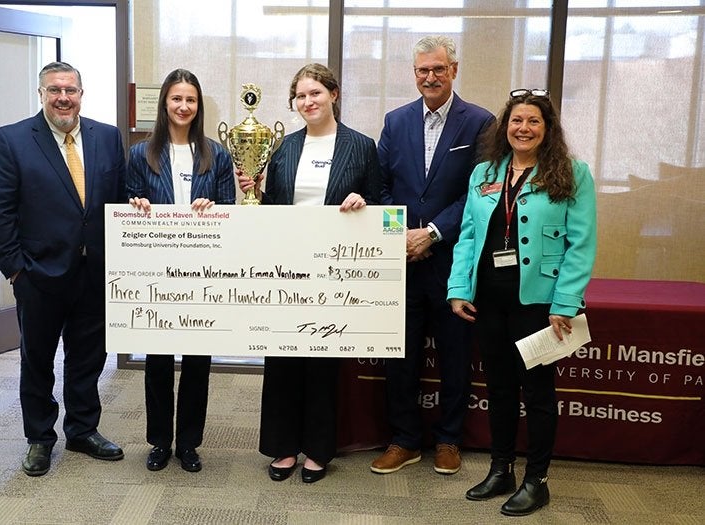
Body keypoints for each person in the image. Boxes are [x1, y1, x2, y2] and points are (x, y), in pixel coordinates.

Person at [448, 89, 597, 516]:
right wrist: (459, 287)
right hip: (490, 299)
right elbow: (469, 235)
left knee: (537, 392)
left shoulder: (572, 173)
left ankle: (537, 481)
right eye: (516, 120)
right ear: (505, 127)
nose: (524, 128)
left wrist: (565, 302)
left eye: (533, 121)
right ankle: (501, 470)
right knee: (498, 389)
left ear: (547, 129)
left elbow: (581, 244)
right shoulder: (484, 172)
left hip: (540, 303)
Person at [239, 63, 381, 484]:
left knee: (322, 361)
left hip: (333, 269)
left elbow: (379, 201)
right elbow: (274, 206)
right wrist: (254, 193)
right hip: (286, 266)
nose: (308, 101)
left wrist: (363, 203)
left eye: (315, 92)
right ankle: (283, 447)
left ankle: (318, 449)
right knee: (282, 358)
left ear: (334, 94)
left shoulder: (361, 146)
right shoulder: (284, 147)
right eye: (300, 96)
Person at [0, 61, 126, 476]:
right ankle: (40, 439)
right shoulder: (12, 140)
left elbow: (117, 199)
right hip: (38, 275)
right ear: (41, 94)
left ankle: (82, 430)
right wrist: (15, 270)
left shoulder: (107, 136)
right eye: (54, 90)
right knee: (38, 361)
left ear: (81, 93)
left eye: (70, 90)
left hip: (94, 272)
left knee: (88, 359)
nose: (63, 98)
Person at [374, 35, 494, 476]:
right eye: (423, 70)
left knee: (455, 356)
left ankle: (448, 439)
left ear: (454, 70)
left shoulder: (480, 122)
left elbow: (479, 192)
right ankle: (404, 439)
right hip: (403, 260)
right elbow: (380, 186)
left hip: (452, 261)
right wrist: (403, 236)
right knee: (399, 354)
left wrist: (432, 233)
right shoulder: (395, 121)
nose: (430, 77)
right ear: (414, 73)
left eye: (439, 69)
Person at [127, 68, 235, 473]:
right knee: (157, 361)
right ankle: (159, 441)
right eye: (177, 98)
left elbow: (231, 210)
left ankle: (189, 443)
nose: (184, 106)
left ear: (198, 105)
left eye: (191, 99)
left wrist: (214, 208)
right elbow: (127, 202)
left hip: (202, 273)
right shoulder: (141, 154)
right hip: (155, 273)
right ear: (165, 103)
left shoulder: (216, 154)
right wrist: (136, 205)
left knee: (197, 362)